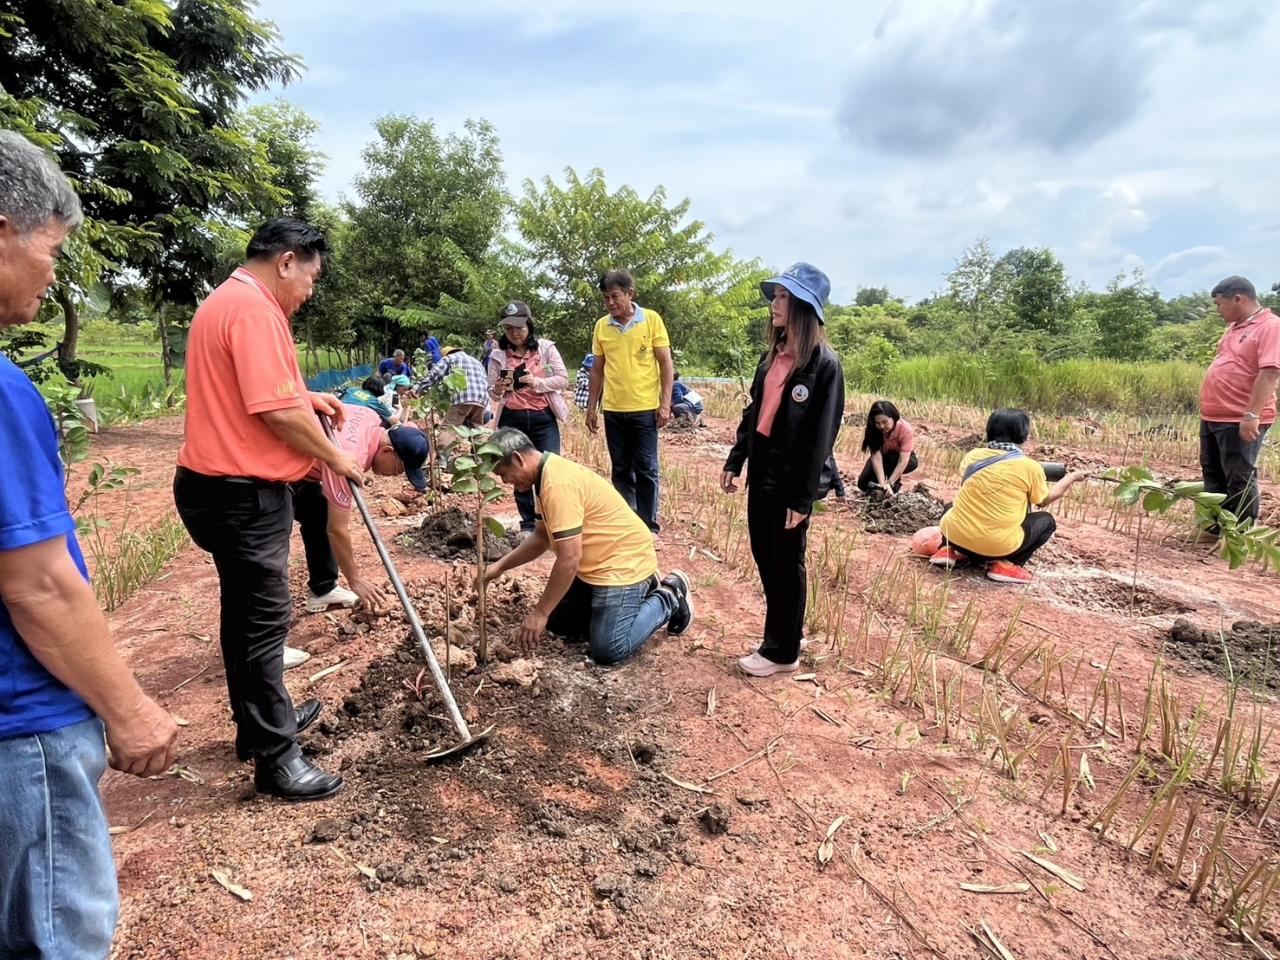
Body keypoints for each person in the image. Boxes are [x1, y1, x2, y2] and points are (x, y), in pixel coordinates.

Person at [0, 129, 180, 960]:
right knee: (55, 939)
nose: (53, 274)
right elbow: (36, 584)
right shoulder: (3, 394)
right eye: (51, 249)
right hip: (22, 729)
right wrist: (129, 709)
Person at [173, 216, 364, 802]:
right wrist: (337, 457)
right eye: (311, 278)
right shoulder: (257, 311)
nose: (309, 293)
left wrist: (307, 395)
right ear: (286, 262)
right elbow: (274, 413)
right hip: (243, 492)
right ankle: (277, 758)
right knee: (262, 622)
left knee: (243, 616)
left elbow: (257, 392)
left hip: (212, 485)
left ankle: (257, 726)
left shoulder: (226, 301)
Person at [721, 262, 844, 678]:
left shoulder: (824, 365)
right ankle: (788, 631)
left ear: (805, 308)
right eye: (775, 295)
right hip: (763, 471)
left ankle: (782, 651)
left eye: (784, 297)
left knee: (786, 561)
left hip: (791, 481)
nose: (775, 303)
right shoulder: (772, 357)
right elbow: (754, 412)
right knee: (765, 554)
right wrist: (736, 458)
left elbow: (821, 438)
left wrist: (802, 497)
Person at [483, 429, 694, 664]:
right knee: (560, 625)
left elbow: (569, 558)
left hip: (622, 563)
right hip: (596, 564)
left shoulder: (558, 484)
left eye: (504, 474)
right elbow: (541, 537)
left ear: (517, 459)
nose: (505, 482)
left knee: (608, 648)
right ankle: (637, 593)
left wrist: (540, 612)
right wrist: (499, 567)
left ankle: (669, 594)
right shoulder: (545, 475)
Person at [288, 410, 430, 664]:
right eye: (399, 469)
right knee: (270, 548)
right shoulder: (349, 461)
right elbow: (338, 530)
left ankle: (323, 589)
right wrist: (355, 579)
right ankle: (264, 648)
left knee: (317, 512)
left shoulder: (369, 415)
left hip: (303, 462)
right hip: (270, 471)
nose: (396, 475)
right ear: (387, 451)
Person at [932, 409, 1087, 584]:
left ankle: (946, 549)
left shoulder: (972, 456)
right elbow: (1044, 500)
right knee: (1047, 521)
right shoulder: (1030, 467)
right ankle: (1007, 564)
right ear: (1023, 434)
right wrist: (1071, 478)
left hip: (956, 537)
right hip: (996, 548)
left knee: (952, 506)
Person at [585, 268, 674, 537]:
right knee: (621, 469)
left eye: (615, 296)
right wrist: (592, 407)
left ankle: (649, 527)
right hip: (613, 409)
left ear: (630, 293)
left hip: (645, 409)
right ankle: (628, 524)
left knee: (646, 468)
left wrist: (665, 404)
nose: (610, 303)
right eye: (606, 298)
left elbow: (665, 364)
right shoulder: (601, 326)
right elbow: (597, 370)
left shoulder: (651, 320)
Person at [1198, 276, 1280, 539]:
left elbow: (1270, 372)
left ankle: (1238, 536)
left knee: (1238, 477)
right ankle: (1214, 530)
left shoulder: (1270, 326)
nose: (1217, 310)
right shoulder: (1234, 327)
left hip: (1239, 416)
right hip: (1214, 415)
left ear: (1238, 299)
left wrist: (1252, 415)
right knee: (1213, 474)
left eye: (1219, 304)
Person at [487, 301, 571, 533]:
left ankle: (552, 521)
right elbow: (491, 391)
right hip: (512, 418)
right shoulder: (498, 355)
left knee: (549, 468)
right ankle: (528, 524)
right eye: (509, 329)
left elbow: (563, 379)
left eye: (519, 328)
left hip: (542, 417)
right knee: (516, 470)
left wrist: (537, 382)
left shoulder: (545, 349)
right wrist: (498, 388)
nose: (514, 333)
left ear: (529, 325)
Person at [416, 345, 489, 427]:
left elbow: (433, 375)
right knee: (474, 429)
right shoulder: (476, 362)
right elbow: (486, 382)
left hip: (464, 398)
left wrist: (417, 389)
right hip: (482, 399)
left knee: (448, 429)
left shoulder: (449, 358)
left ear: (446, 354)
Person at [857, 400, 918, 495]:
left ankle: (894, 484)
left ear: (894, 418)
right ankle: (880, 488)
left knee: (891, 458)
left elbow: (903, 461)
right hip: (883, 457)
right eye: (878, 423)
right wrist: (882, 484)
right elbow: (876, 458)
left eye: (885, 422)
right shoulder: (873, 430)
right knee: (862, 484)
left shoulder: (905, 430)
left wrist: (889, 483)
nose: (881, 426)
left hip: (902, 459)